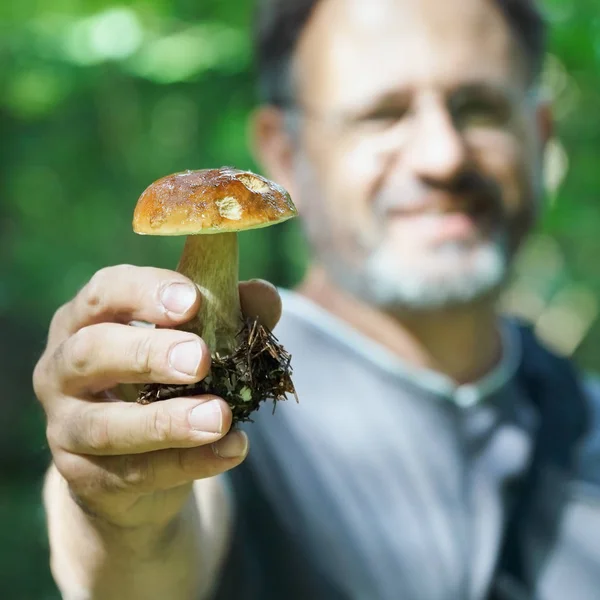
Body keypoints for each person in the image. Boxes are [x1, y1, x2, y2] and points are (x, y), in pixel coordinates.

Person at [34, 0, 600, 598]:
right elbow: (140, 567)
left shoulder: (585, 417)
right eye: (382, 113)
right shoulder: (238, 404)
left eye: (479, 107)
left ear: (540, 135)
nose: (443, 156)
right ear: (283, 152)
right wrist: (116, 511)